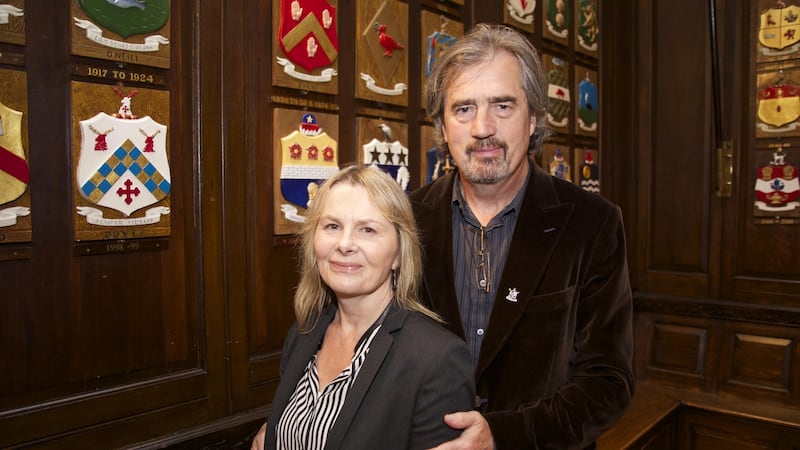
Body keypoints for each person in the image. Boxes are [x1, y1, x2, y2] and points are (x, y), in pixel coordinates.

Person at [409, 23, 634, 449]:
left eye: (503, 105)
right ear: (441, 124)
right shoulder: (403, 221)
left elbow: (609, 382)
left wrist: (502, 435)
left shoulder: (592, 224)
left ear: (533, 119)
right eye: (463, 109)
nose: (482, 128)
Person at [252, 165, 476, 450]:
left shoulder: (437, 359)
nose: (345, 244)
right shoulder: (304, 333)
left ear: (398, 253)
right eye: (332, 226)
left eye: (367, 229)